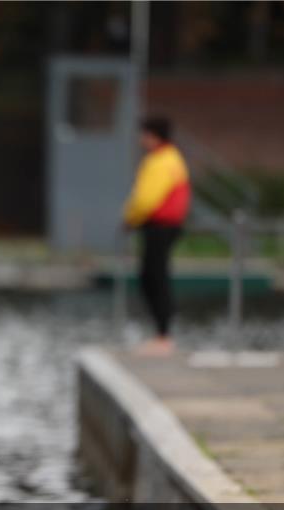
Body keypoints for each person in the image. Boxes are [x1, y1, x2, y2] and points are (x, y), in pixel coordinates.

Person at [122, 116, 191, 356]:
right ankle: (163, 333)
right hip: (166, 226)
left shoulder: (160, 161)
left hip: (159, 226)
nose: (141, 139)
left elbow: (146, 199)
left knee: (154, 277)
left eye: (144, 134)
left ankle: (164, 336)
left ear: (154, 136)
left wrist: (130, 218)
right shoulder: (173, 158)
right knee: (155, 276)